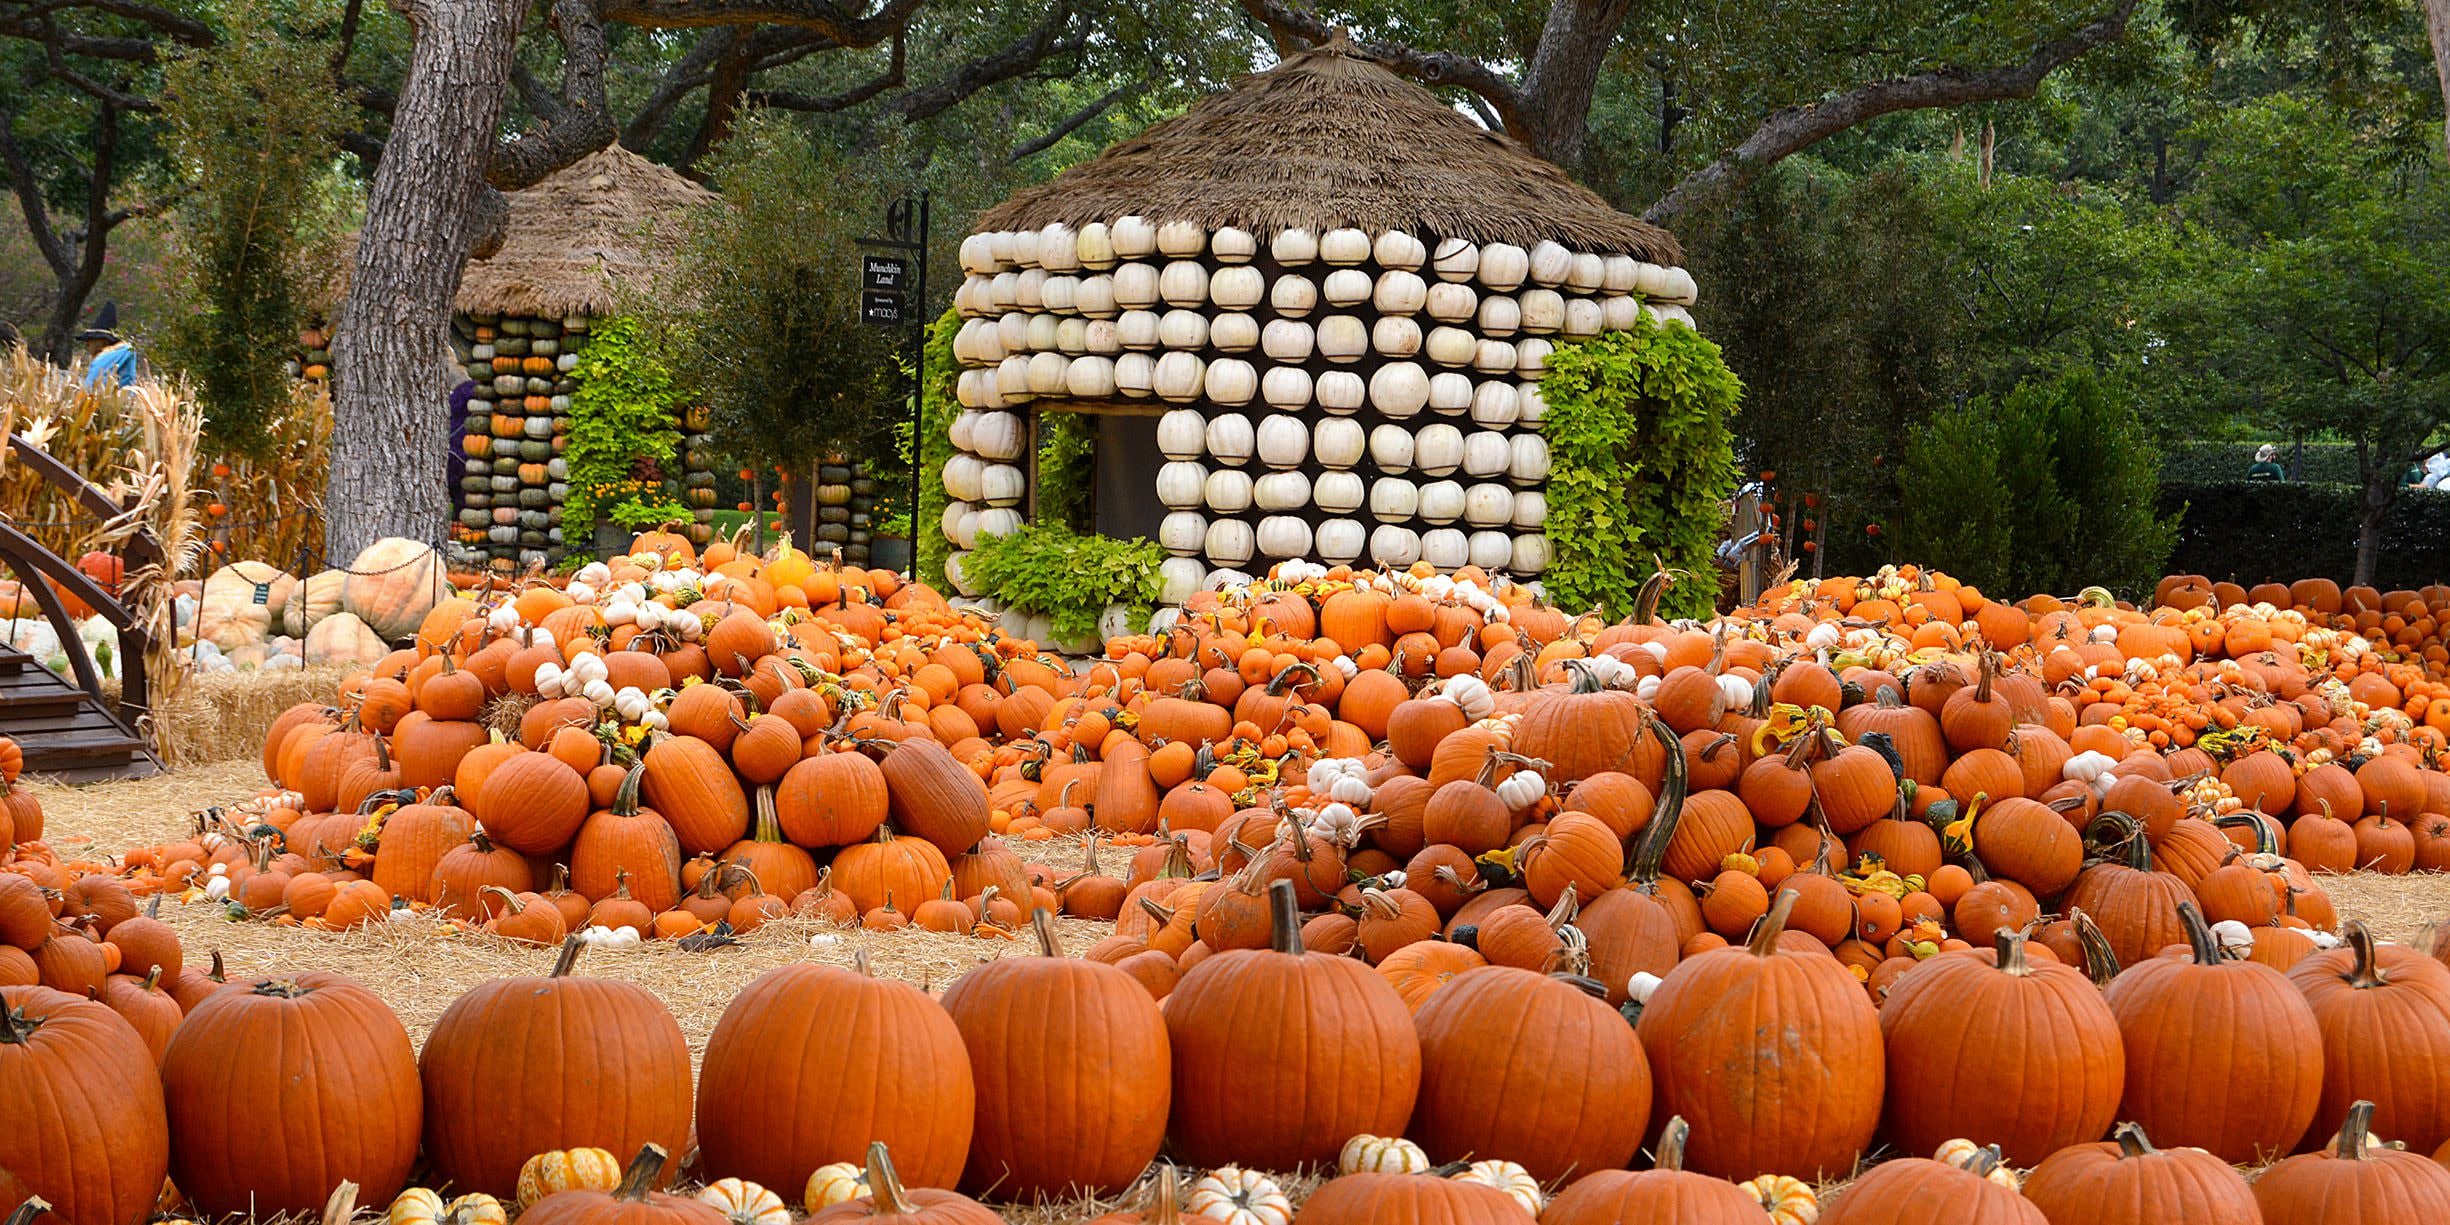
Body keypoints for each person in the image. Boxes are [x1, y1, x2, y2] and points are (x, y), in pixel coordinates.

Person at [78, 302, 139, 388]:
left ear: (101, 342)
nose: (87, 345)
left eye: (90, 340)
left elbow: (90, 385)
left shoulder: (124, 351)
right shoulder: (121, 354)